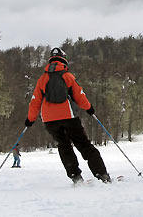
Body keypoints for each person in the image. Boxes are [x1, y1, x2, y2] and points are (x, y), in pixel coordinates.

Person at [25, 47, 112, 184]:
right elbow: (79, 95)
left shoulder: (42, 79)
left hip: (49, 120)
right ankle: (102, 174)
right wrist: (89, 109)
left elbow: (35, 101)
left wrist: (30, 119)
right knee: (83, 144)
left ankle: (75, 176)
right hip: (68, 117)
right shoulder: (67, 76)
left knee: (64, 145)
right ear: (64, 60)